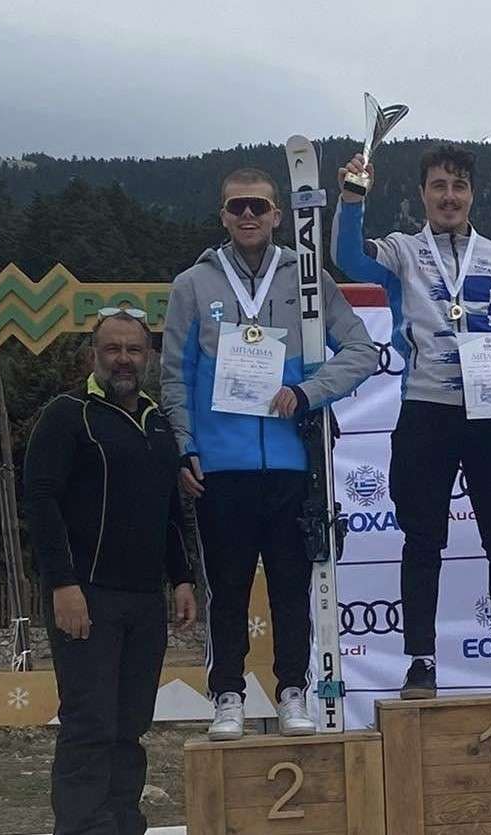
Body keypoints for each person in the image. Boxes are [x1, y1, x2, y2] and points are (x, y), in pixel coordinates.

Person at [161, 167, 379, 740]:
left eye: (258, 205)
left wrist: (308, 392)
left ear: (278, 214)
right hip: (221, 464)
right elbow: (175, 375)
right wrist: (185, 445)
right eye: (237, 207)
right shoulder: (193, 284)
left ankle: (292, 692)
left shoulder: (307, 277)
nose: (248, 215)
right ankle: (227, 695)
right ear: (222, 215)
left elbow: (361, 350)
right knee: (226, 588)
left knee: (290, 586)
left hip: (291, 461)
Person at [331, 146, 491, 698]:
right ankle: (420, 662)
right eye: (438, 186)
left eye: (458, 186)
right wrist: (352, 199)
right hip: (426, 411)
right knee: (422, 538)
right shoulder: (402, 251)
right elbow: (347, 257)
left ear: (472, 194)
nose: (449, 197)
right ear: (422, 195)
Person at [25, 309, 198, 835]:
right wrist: (62, 583)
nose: (123, 359)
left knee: (130, 723)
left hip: (144, 601)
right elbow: (41, 502)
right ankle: (82, 827)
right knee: (90, 722)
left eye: (133, 350)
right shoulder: (67, 414)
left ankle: (124, 823)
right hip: (86, 596)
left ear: (149, 357)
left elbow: (169, 509)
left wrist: (182, 578)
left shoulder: (159, 423)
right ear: (93, 355)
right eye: (112, 349)